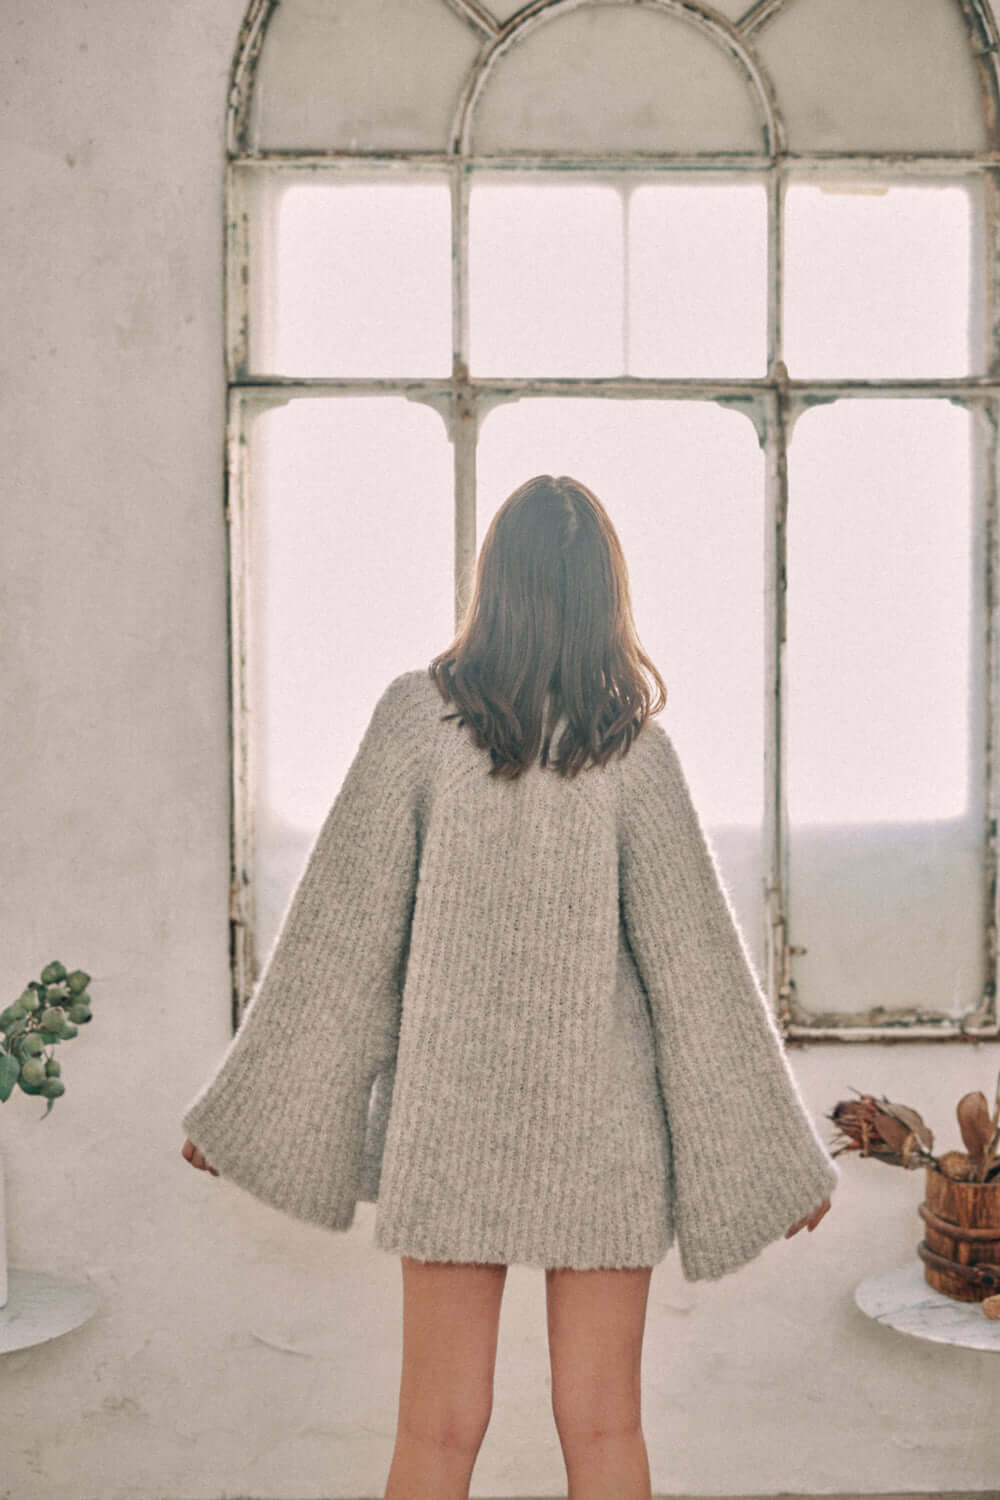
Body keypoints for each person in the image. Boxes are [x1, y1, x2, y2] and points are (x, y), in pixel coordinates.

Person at [181, 473, 836, 1500]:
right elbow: (699, 977)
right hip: (604, 1138)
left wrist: (241, 1112)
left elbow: (343, 937)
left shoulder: (414, 725)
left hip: (449, 1127)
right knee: (605, 1430)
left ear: (493, 586)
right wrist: (777, 1161)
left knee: (436, 1433)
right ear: (603, 601)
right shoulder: (635, 756)